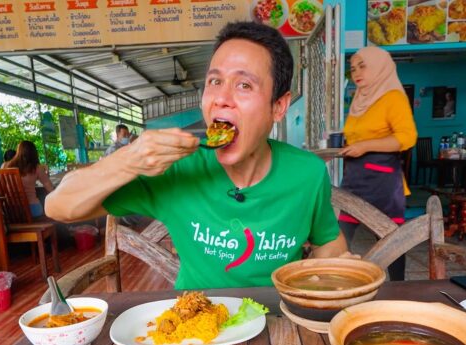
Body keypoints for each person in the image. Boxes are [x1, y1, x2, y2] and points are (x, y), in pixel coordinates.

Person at [46, 21, 347, 289]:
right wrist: (128, 159)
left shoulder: (307, 173)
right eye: (215, 82)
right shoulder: (176, 170)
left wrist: (334, 269)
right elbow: (59, 207)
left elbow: (329, 242)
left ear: (279, 106)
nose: (221, 99)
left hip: (279, 322)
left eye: (244, 85)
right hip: (197, 327)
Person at [337, 46, 417, 281]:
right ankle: (341, 283)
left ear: (379, 65)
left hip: (382, 181)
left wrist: (366, 146)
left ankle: (399, 288)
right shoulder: (359, 99)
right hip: (355, 177)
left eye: (363, 66)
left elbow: (407, 138)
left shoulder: (392, 97)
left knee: (390, 239)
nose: (357, 73)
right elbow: (356, 136)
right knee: (342, 235)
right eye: (353, 68)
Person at [2, 140, 54, 218]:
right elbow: (49, 188)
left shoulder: (4, 166)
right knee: (51, 213)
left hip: (10, 210)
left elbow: (1, 188)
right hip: (32, 209)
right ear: (34, 153)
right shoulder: (37, 168)